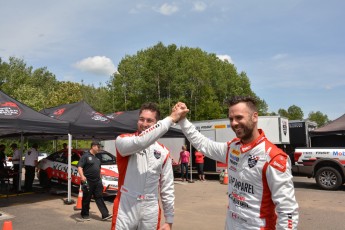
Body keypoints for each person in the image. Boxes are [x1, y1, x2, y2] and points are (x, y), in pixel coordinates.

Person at [174, 97, 299, 230]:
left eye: (239, 117)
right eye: (231, 119)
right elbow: (204, 144)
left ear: (254, 117)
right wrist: (182, 120)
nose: (234, 123)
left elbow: (287, 210)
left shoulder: (274, 157)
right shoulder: (233, 147)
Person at [111, 102, 183, 230]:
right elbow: (141, 142)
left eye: (149, 120)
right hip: (126, 204)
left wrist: (169, 220)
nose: (144, 124)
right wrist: (171, 119)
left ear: (157, 124)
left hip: (151, 207)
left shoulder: (164, 152)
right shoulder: (123, 140)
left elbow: (167, 188)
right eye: (141, 119)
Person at [77, 141, 112, 221]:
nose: (99, 148)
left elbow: (99, 170)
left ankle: (105, 214)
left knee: (99, 197)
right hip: (88, 181)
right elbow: (80, 167)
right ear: (93, 146)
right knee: (87, 198)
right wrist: (82, 176)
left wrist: (101, 180)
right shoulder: (85, 156)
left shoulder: (97, 158)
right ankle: (84, 214)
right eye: (98, 147)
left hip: (97, 182)